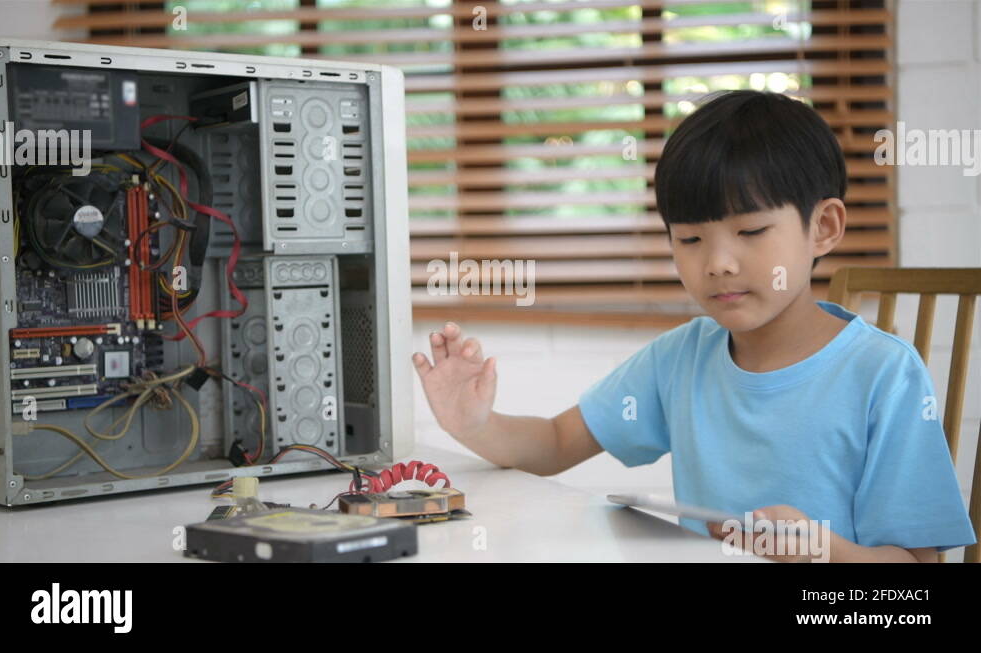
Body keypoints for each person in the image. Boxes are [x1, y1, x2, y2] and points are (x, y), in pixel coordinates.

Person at [411, 90, 976, 562]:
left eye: (751, 232)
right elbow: (557, 443)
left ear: (823, 227)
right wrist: (476, 424)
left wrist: (820, 549)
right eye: (690, 239)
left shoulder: (884, 374)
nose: (718, 263)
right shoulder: (681, 358)